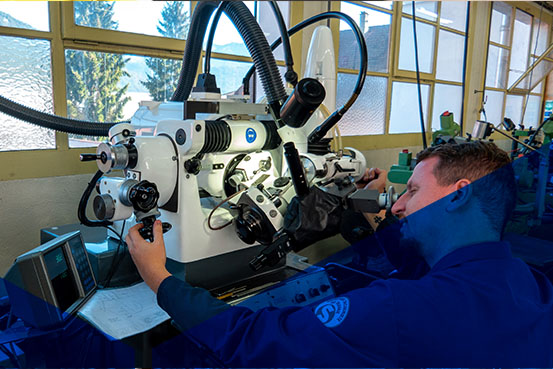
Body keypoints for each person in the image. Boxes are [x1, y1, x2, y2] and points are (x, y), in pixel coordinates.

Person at [125, 141, 553, 366]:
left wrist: (158, 277)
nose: (398, 204)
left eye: (414, 191)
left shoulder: (401, 309)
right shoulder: (533, 284)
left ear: (459, 196)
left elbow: (251, 340)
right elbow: (422, 269)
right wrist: (363, 212)